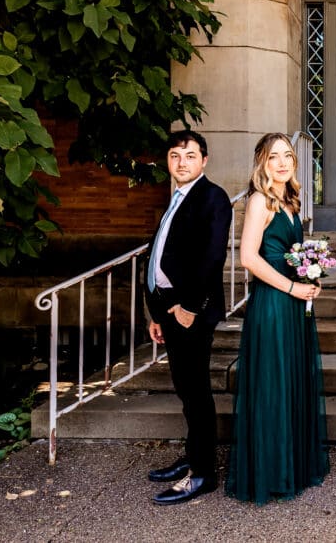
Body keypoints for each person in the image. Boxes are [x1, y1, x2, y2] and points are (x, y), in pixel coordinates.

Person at [226, 133, 329, 504]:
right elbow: (249, 259)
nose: (283, 163)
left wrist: (309, 279)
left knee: (290, 381)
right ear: (262, 163)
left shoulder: (291, 201)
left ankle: (291, 465)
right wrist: (291, 287)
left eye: (288, 156)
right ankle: (270, 472)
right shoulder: (259, 201)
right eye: (274, 157)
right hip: (272, 303)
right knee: (272, 384)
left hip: (293, 301)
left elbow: (290, 254)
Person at [144, 130, 232, 505]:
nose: (182, 162)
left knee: (196, 392)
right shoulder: (177, 198)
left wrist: (189, 307)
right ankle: (193, 457)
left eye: (190, 155)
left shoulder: (213, 197)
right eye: (175, 155)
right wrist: (155, 313)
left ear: (204, 160)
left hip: (191, 312)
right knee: (185, 389)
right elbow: (162, 255)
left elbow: (212, 258)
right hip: (168, 310)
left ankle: (203, 474)